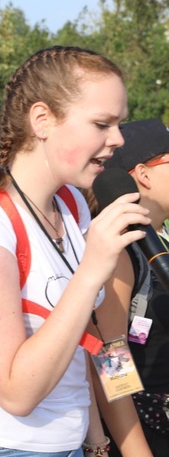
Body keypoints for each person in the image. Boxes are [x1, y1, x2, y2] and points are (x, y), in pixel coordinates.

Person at [0, 46, 149, 456]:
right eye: (101, 123)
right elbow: (17, 393)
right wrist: (90, 272)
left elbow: (98, 341)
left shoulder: (71, 205)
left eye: (119, 124)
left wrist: (102, 441)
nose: (119, 140)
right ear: (42, 120)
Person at [94, 118, 169, 456]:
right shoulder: (123, 250)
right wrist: (137, 449)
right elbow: (110, 355)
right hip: (144, 431)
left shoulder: (161, 238)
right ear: (144, 173)